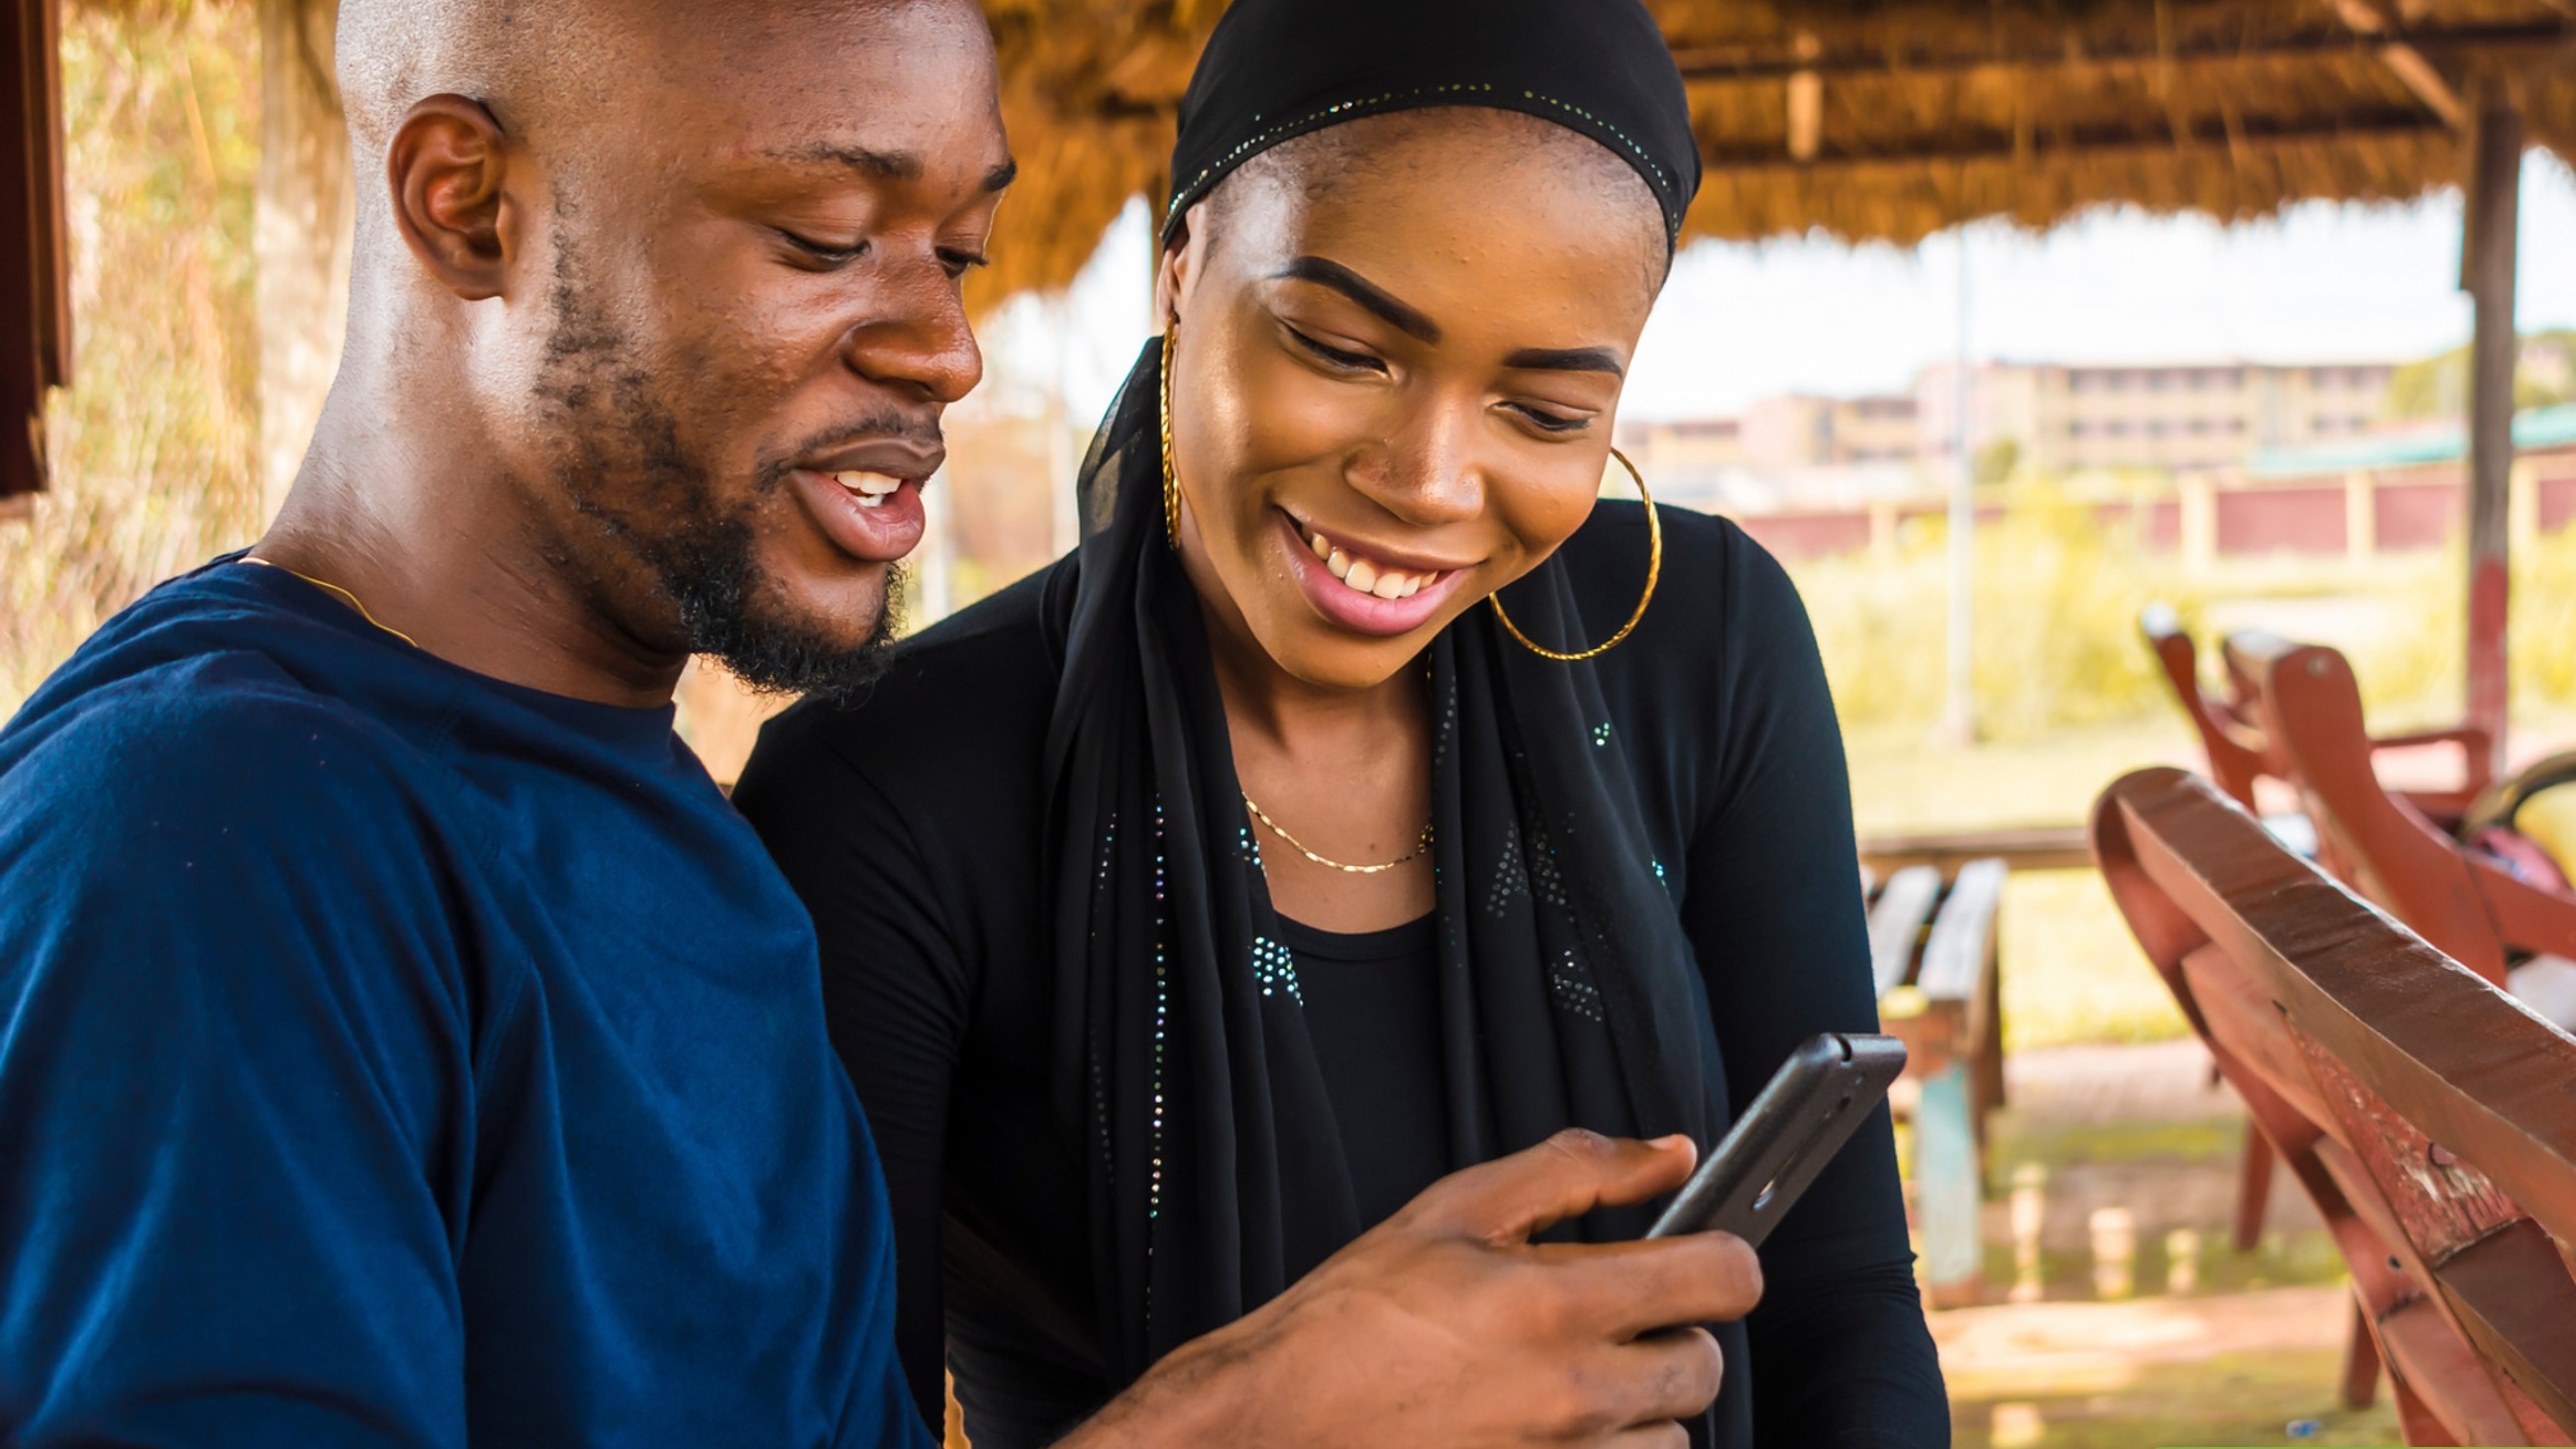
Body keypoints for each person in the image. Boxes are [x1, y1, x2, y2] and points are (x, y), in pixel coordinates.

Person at [0, 1, 1761, 1445]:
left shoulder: (690, 846)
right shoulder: (219, 837)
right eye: (827, 238)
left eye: (958, 248)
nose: (945, 350)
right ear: (469, 205)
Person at [734, 0, 1948, 1445]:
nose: (1432, 481)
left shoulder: (1707, 639)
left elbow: (1841, 1297)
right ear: (1179, 266)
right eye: (1342, 346)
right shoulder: (887, 796)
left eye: (1546, 413)